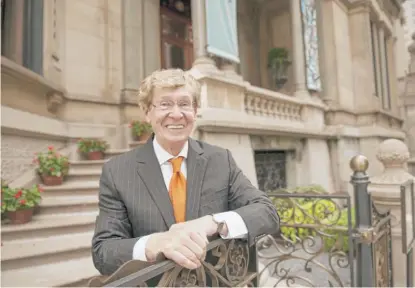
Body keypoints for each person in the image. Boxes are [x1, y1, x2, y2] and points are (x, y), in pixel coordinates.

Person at [91, 69, 280, 276]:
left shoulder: (220, 160)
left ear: (195, 110)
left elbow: (266, 212)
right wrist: (154, 244)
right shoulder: (118, 172)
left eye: (184, 104)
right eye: (165, 104)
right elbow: (103, 252)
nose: (176, 114)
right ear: (147, 112)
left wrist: (211, 223)